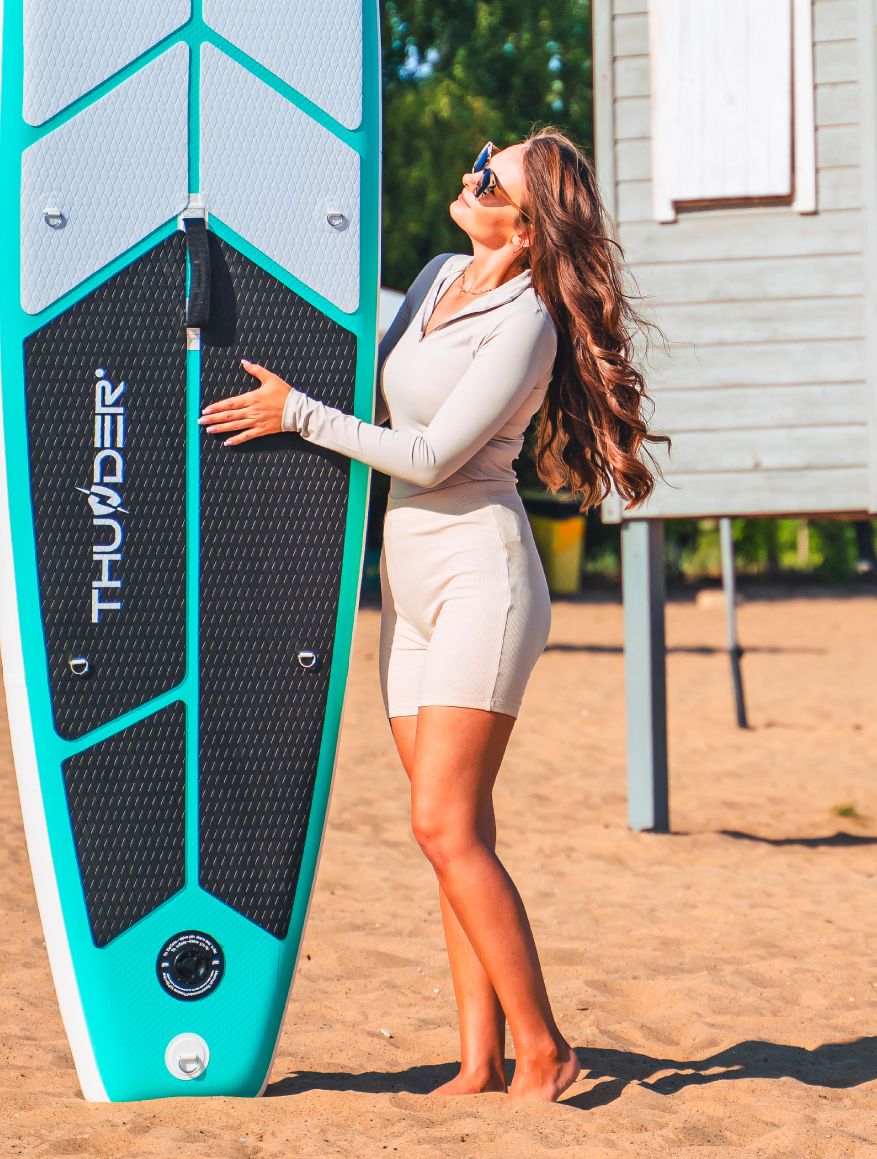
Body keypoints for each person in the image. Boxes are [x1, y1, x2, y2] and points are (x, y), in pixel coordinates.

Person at [199, 129, 658, 1104]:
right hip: (404, 587)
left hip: (478, 581)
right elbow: (376, 380)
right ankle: (477, 1059)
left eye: (486, 173)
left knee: (441, 823)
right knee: (455, 830)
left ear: (527, 221)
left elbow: (434, 454)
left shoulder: (528, 315)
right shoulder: (438, 272)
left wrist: (298, 416)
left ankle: (545, 1049)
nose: (467, 172)